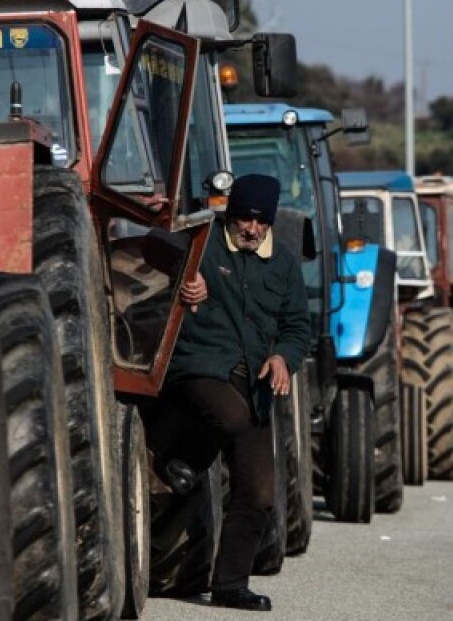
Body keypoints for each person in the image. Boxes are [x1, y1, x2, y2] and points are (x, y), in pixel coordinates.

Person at [150, 173, 311, 612]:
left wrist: (283, 358)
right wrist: (186, 282)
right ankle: (172, 453)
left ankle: (229, 585)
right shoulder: (201, 241)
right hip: (199, 366)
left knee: (259, 493)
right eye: (244, 219)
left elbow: (298, 327)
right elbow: (155, 256)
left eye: (260, 222)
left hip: (254, 382)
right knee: (232, 418)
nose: (252, 229)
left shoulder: (283, 264)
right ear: (231, 214)